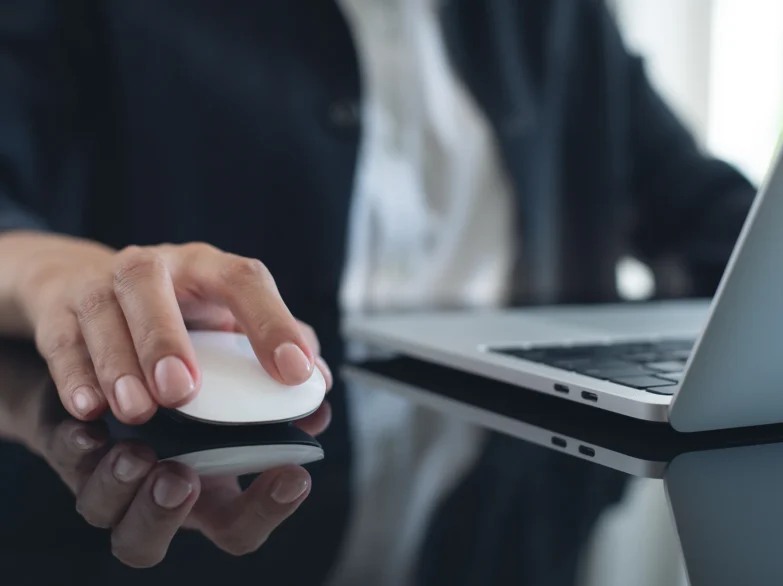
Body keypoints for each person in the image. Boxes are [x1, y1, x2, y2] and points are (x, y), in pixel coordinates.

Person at [0, 0, 756, 583]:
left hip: (534, 491)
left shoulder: (554, 16)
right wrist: (53, 273)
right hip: (159, 484)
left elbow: (722, 225)